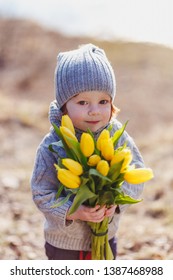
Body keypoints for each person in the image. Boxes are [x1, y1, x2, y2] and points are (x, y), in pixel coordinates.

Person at [31, 43, 144, 260]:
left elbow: (137, 173)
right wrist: (73, 211)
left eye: (103, 101)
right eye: (83, 102)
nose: (94, 111)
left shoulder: (116, 135)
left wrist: (117, 201)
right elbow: (41, 192)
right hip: (64, 245)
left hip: (106, 237)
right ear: (64, 105)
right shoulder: (53, 144)